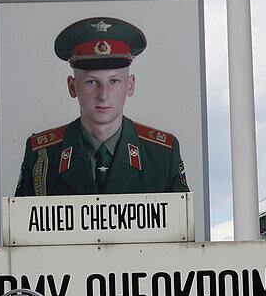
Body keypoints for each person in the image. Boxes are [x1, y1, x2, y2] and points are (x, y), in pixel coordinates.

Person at [15, 17, 189, 197]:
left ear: (130, 86)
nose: (103, 95)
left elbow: (181, 223)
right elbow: (22, 222)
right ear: (72, 87)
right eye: (92, 82)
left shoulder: (162, 155)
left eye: (114, 81)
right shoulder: (42, 155)